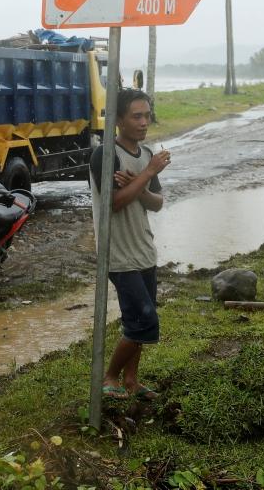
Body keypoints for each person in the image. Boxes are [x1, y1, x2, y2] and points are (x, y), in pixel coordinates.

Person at [89, 89, 170, 401]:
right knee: (144, 321)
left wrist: (140, 183)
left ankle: (131, 381)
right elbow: (115, 203)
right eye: (136, 116)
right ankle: (110, 377)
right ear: (119, 119)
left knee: (136, 321)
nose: (143, 122)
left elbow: (157, 203)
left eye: (147, 115)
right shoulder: (106, 155)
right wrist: (147, 174)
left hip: (144, 249)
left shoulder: (146, 155)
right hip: (119, 254)